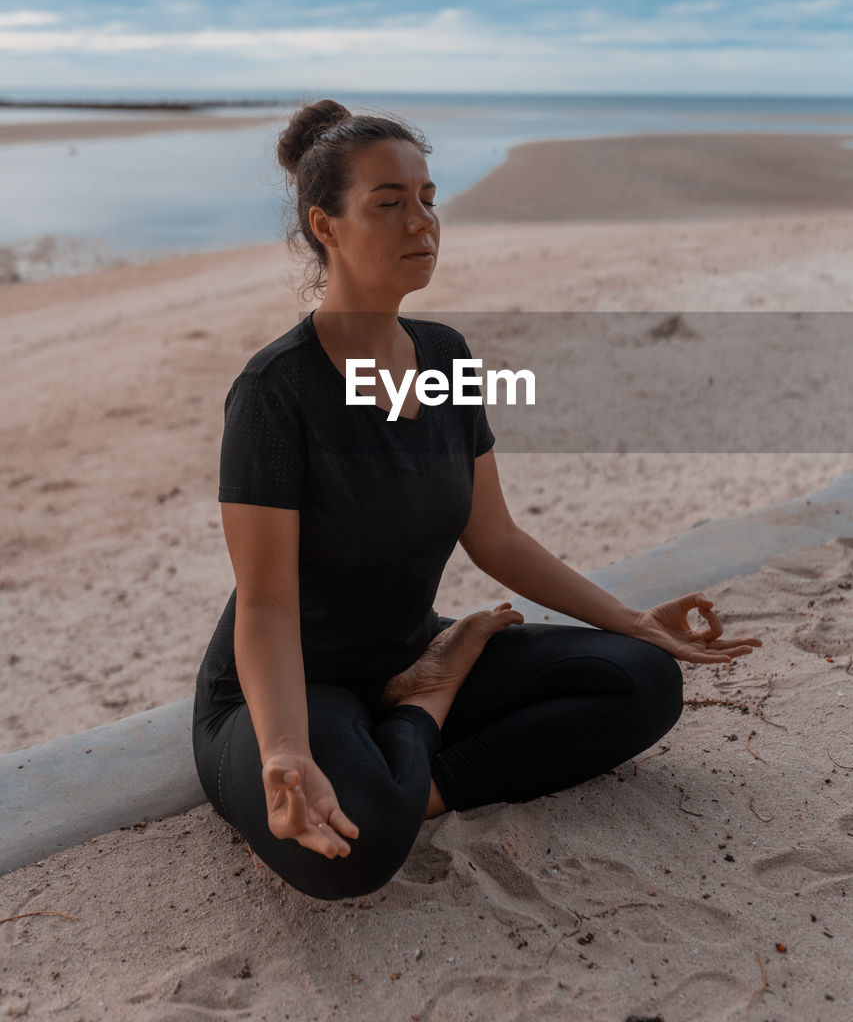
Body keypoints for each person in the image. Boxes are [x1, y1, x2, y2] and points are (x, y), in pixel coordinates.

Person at [192, 99, 763, 901]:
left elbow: (493, 537)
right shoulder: (275, 392)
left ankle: (413, 743)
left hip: (405, 650)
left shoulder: (445, 354)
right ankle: (423, 711)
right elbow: (266, 606)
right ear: (325, 226)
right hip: (288, 682)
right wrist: (283, 750)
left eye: (427, 198)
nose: (420, 223)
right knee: (350, 855)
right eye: (388, 204)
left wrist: (631, 618)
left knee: (641, 681)